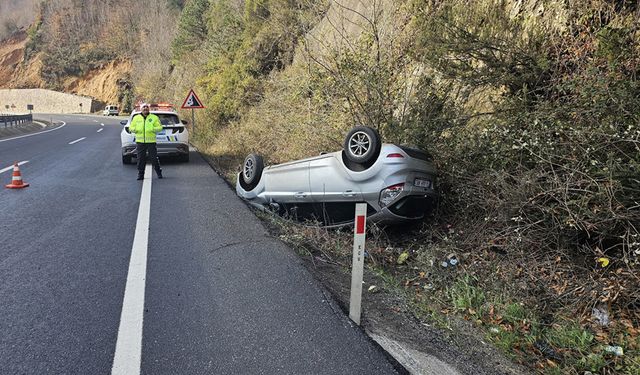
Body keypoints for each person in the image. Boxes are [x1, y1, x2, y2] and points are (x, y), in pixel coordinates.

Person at [130, 103, 163, 180]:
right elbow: (131, 127)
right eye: (143, 107)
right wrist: (135, 130)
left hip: (151, 141)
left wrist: (152, 129)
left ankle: (158, 172)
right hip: (140, 141)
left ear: (149, 109)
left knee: (154, 158)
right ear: (141, 109)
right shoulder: (136, 118)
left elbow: (160, 127)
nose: (145, 108)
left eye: (147, 107)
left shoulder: (154, 117)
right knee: (140, 159)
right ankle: (140, 174)